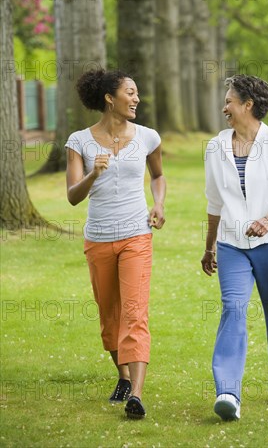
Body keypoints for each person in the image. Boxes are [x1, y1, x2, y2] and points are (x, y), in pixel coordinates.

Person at [65, 69, 166, 419]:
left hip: (137, 234)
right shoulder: (79, 141)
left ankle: (136, 395)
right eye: (130, 92)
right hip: (99, 239)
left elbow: (158, 175)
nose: (137, 99)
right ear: (110, 98)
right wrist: (94, 173)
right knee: (110, 317)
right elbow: (72, 197)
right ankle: (123, 377)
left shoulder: (148, 136)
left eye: (137, 93)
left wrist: (159, 203)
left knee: (134, 313)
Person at [201, 74, 268, 421]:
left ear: (248, 105)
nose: (224, 107)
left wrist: (267, 220)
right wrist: (209, 247)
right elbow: (214, 202)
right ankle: (228, 391)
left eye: (229, 101)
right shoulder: (216, 147)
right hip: (232, 244)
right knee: (233, 309)